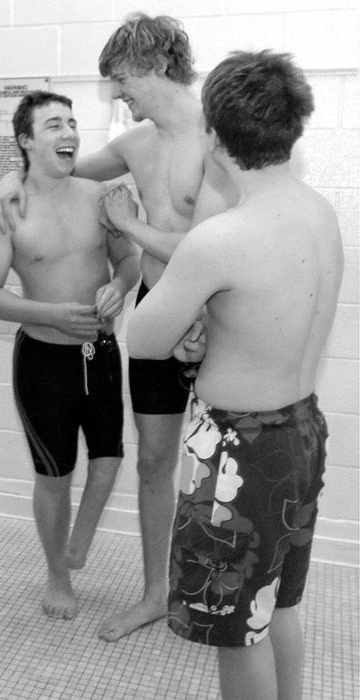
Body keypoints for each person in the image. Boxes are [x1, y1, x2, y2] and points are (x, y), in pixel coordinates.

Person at [0, 13, 235, 640]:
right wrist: (11, 178)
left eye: (122, 79)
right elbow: (59, 171)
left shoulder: (222, 138)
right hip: (156, 306)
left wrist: (131, 229)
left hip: (221, 311)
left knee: (226, 457)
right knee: (153, 459)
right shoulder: (133, 145)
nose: (118, 94)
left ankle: (225, 585)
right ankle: (157, 592)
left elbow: (217, 248)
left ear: (152, 65)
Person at [127, 50, 343, 700]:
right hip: (300, 431)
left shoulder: (220, 237)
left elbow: (143, 338)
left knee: (231, 630)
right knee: (274, 605)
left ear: (214, 137)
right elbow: (260, 317)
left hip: (237, 452)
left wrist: (189, 313)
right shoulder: (318, 212)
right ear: (292, 126)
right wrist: (210, 323)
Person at [0, 90, 140, 620]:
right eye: (53, 125)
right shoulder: (7, 207)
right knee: (55, 473)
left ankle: (78, 542)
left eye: (71, 123)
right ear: (25, 140)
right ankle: (58, 574)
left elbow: (128, 262)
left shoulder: (100, 195)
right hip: (44, 360)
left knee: (110, 460)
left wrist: (121, 287)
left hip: (100, 352)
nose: (68, 133)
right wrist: (50, 314)